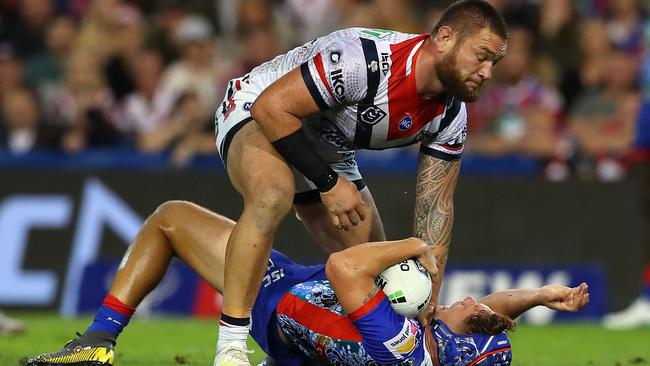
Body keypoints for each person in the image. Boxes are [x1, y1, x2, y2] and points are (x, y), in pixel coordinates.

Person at [213, 1, 508, 363]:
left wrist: (429, 305)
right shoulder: (363, 61)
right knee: (273, 193)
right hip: (256, 106)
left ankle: (296, 350)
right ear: (445, 37)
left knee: (384, 276)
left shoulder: (449, 114)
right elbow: (271, 109)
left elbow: (436, 206)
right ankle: (231, 345)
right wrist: (329, 183)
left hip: (326, 142)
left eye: (494, 63)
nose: (487, 72)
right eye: (481, 56)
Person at [27, 200, 590, 366]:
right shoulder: (441, 345)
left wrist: (414, 246)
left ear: (457, 340)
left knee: (171, 219)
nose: (469, 301)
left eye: (471, 312)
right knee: (325, 198)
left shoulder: (404, 351)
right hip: (303, 290)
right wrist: (540, 295)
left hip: (276, 301)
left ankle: (97, 341)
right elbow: (488, 309)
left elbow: (347, 268)